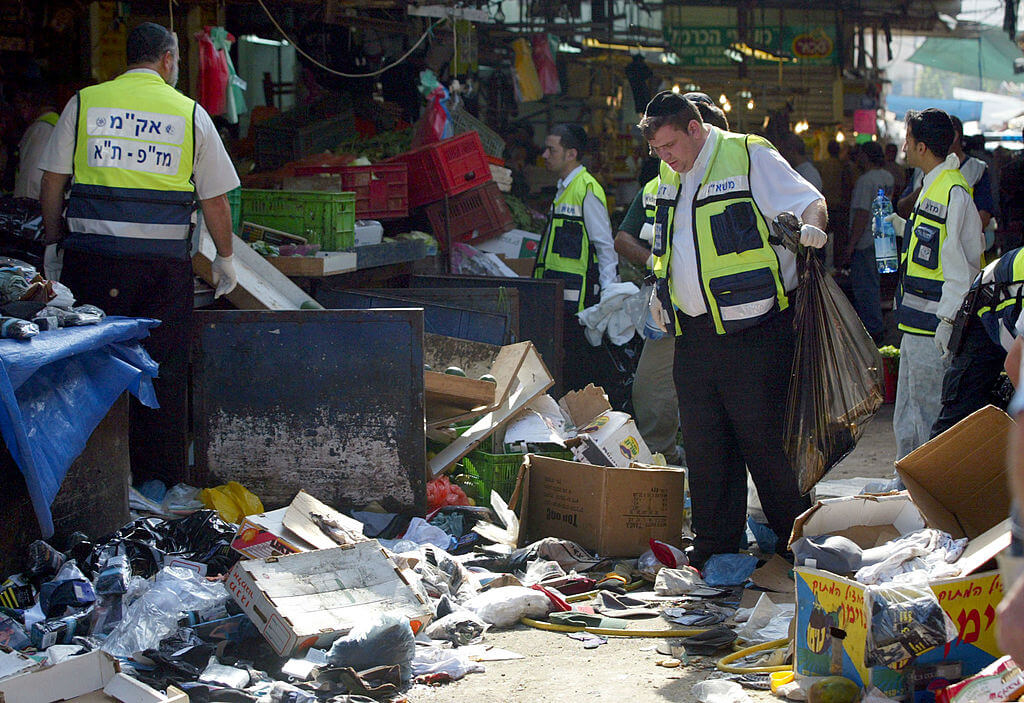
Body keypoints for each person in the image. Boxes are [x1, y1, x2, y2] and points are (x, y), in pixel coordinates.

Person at [37, 22, 239, 487]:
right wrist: (224, 257)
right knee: (163, 371)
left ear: (125, 59)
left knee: (89, 369)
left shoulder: (85, 103)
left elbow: (52, 181)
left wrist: (52, 245)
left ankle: (87, 481)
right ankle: (157, 482)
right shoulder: (189, 114)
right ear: (168, 59)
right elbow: (215, 200)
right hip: (161, 271)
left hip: (90, 263)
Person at [638, 90, 828, 566]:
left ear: (694, 129)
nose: (664, 158)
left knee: (766, 444)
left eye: (669, 147)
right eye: (657, 150)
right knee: (705, 445)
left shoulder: (747, 154)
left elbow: (811, 201)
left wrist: (813, 229)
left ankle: (796, 545)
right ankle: (716, 547)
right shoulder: (668, 174)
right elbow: (666, 246)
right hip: (695, 334)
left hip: (757, 330)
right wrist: (659, 290)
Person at [613, 93, 729, 465]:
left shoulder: (741, 172)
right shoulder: (659, 185)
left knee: (725, 399)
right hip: (670, 307)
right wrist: (660, 265)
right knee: (653, 391)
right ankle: (662, 462)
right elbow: (623, 238)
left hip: (730, 309)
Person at [886, 109, 983, 459]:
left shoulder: (952, 192)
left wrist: (948, 322)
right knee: (910, 410)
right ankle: (906, 483)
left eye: (908, 140)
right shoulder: (932, 186)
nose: (903, 147)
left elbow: (962, 266)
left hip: (933, 327)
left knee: (926, 414)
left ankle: (925, 493)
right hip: (917, 324)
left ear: (923, 147)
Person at [533, 123, 619, 396]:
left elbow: (604, 245)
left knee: (576, 370)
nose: (545, 155)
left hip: (578, 302)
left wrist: (608, 295)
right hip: (558, 295)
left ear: (571, 153)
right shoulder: (563, 188)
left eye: (551, 149)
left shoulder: (586, 189)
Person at [930, 247, 1024, 436]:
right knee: (960, 415)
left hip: (1010, 298)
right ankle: (929, 465)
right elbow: (1014, 363)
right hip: (986, 304)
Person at [845, 141, 894, 343]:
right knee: (876, 285)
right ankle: (877, 327)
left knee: (865, 288)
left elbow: (862, 214)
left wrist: (851, 244)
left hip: (865, 240)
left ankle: (872, 331)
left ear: (866, 156)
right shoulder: (887, 177)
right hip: (883, 238)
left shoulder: (865, 181)